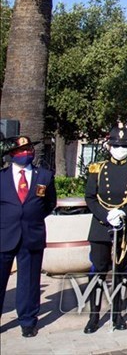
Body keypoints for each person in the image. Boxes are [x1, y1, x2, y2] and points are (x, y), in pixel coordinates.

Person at [84, 124, 127, 333]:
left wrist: (124, 212)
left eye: (124, 145)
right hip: (101, 227)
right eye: (117, 145)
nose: (121, 149)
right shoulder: (97, 169)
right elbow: (90, 197)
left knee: (121, 271)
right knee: (98, 271)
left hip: (125, 227)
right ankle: (94, 316)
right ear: (109, 146)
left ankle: (117, 314)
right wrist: (106, 214)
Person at [0, 136, 57, 338]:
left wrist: (32, 217)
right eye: (23, 150)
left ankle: (28, 321)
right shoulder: (2, 177)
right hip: (4, 236)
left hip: (32, 235)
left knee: (30, 282)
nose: (28, 153)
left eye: (30, 148)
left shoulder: (45, 176)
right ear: (12, 154)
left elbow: (50, 203)